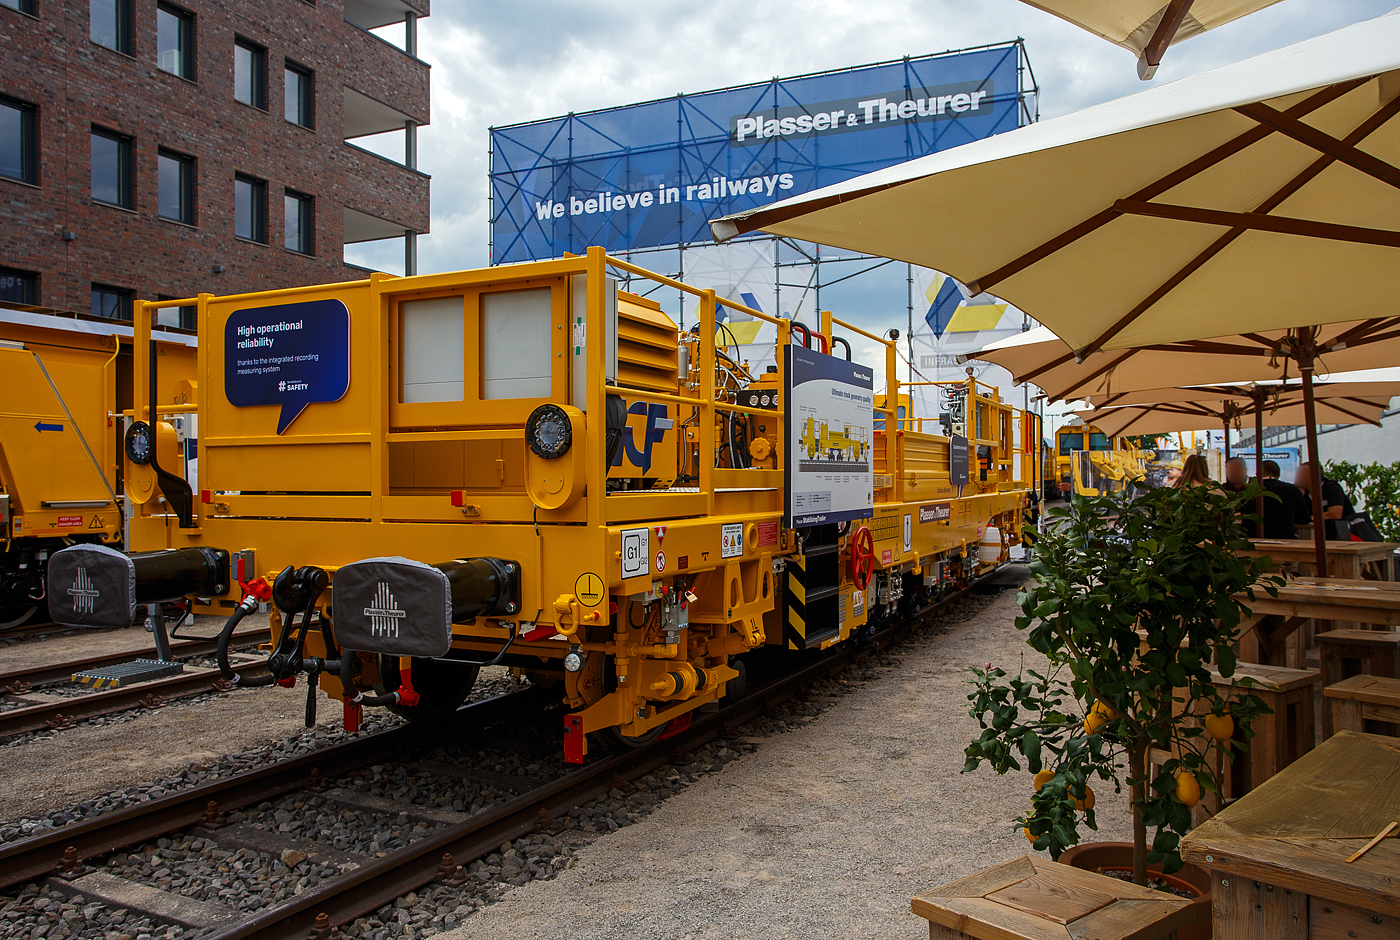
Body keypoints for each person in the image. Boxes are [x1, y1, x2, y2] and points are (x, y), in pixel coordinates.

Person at [1295, 461, 1356, 540]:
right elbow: (1297, 516)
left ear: (1314, 475)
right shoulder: (1303, 492)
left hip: (1340, 534)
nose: (1297, 477)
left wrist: (1309, 518)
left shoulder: (1331, 487)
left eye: (1302, 474)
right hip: (1315, 535)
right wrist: (1298, 494)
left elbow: (1335, 514)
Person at [1256, 460, 1308, 540]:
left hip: (1253, 540)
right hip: (1285, 540)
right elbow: (1304, 519)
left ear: (1257, 474)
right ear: (1278, 475)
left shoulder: (1249, 491)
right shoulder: (1292, 490)